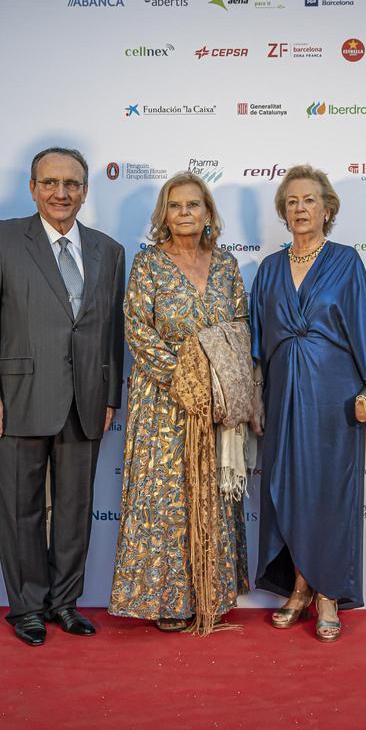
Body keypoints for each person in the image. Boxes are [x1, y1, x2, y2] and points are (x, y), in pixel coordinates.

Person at [0, 147, 126, 646]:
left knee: (76, 507)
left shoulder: (109, 250)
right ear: (33, 188)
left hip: (87, 399)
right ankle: (27, 607)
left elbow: (111, 332)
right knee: (20, 508)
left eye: (73, 184)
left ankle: (65, 602)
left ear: (85, 190)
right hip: (17, 396)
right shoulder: (0, 239)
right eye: (51, 183)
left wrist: (110, 394)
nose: (62, 193)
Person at [109, 172, 250, 633]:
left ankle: (212, 592)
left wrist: (216, 383)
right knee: (165, 500)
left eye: (194, 205)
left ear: (208, 213)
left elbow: (242, 325)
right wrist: (185, 378)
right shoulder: (148, 264)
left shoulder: (227, 265)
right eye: (175, 206)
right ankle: (168, 600)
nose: (185, 213)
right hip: (163, 400)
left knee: (213, 492)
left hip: (216, 401)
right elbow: (137, 328)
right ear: (163, 215)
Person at [253, 165, 366, 643]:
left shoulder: (346, 261)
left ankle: (328, 592)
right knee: (286, 489)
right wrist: (255, 397)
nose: (300, 208)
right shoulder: (268, 268)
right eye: (291, 201)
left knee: (329, 493)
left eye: (309, 200)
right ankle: (299, 585)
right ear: (283, 211)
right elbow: (256, 341)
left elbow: (364, 326)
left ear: (326, 209)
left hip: (334, 394)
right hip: (281, 390)